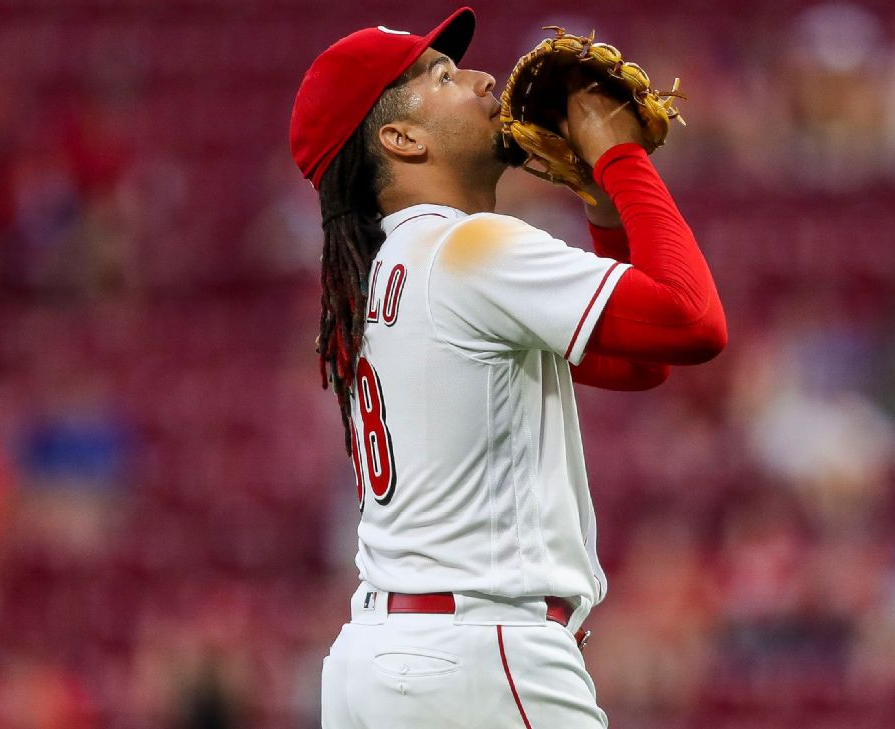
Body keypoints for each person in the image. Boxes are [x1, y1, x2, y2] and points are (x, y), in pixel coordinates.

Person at [289, 8, 726, 728]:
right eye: (442, 76)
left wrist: (599, 203)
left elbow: (640, 362)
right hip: (480, 658)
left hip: (379, 663)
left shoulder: (384, 274)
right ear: (400, 139)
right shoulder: (467, 250)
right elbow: (693, 320)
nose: (482, 77)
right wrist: (620, 156)